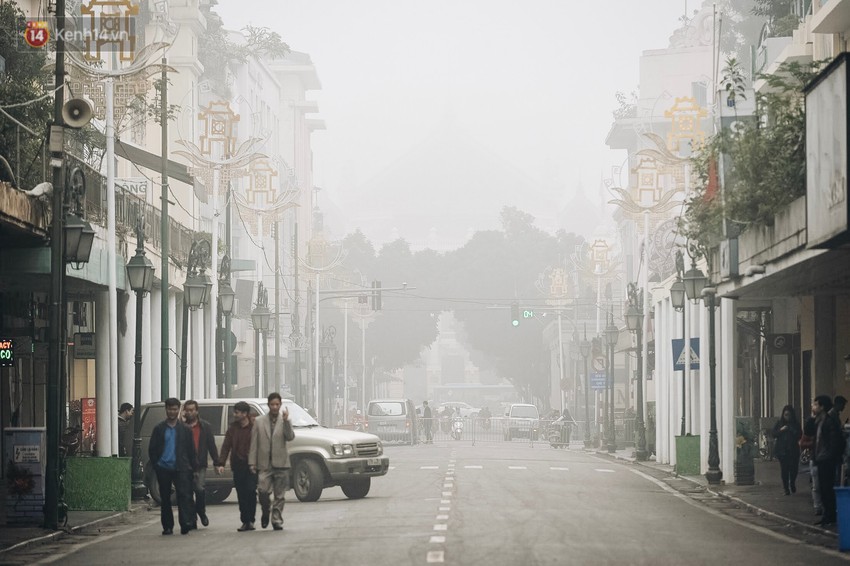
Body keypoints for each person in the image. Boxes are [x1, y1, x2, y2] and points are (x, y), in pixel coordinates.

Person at [148, 397, 196, 535]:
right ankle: (167, 526)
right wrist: (157, 464)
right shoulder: (159, 429)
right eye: (169, 409)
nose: (172, 412)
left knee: (183, 496)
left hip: (181, 468)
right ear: (166, 410)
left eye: (175, 409)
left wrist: (193, 468)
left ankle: (185, 523)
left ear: (179, 410)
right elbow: (152, 449)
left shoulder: (185, 429)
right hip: (163, 468)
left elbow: (191, 450)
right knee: (165, 498)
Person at [249, 392, 295, 531]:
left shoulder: (284, 420)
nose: (275, 407)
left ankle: (276, 519)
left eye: (277, 404)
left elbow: (290, 437)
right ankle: (265, 510)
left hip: (281, 463)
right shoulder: (259, 421)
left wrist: (287, 421)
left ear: (280, 405)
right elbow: (254, 443)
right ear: (269, 405)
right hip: (264, 464)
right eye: (272, 404)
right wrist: (252, 462)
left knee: (279, 495)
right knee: (262, 490)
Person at [218, 401, 258, 532]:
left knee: (251, 491)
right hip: (238, 466)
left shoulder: (254, 428)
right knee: (241, 494)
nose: (235, 414)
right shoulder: (232, 429)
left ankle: (251, 519)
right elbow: (226, 446)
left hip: (252, 466)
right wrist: (221, 463)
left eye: (237, 412)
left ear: (245, 414)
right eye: (235, 412)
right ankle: (245, 521)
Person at [183, 400, 220, 529]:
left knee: (199, 489)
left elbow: (211, 446)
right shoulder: (181, 427)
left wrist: (217, 462)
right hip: (185, 465)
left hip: (200, 464)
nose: (189, 412)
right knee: (187, 493)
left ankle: (201, 512)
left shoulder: (205, 427)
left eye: (192, 410)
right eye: (187, 410)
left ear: (197, 411)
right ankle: (192, 519)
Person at [814, 395, 844, 526]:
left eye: (816, 405)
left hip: (826, 460)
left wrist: (829, 456)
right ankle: (827, 515)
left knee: (827, 489)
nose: (813, 407)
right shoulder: (819, 420)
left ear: (822, 407)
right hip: (821, 459)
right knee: (822, 489)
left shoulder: (828, 421)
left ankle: (830, 516)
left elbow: (833, 441)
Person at [772, 404, 801, 495]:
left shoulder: (796, 424)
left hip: (793, 450)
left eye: (789, 415)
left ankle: (792, 482)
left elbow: (799, 435)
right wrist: (781, 430)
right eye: (785, 415)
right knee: (784, 470)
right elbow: (774, 434)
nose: (787, 417)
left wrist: (791, 430)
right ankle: (786, 488)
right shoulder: (779, 423)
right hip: (782, 451)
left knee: (794, 469)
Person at [800, 409, 823, 516]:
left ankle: (822, 506)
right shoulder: (811, 428)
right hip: (815, 459)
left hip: (822, 459)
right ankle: (818, 506)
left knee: (821, 485)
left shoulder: (826, 425)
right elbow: (802, 442)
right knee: (816, 485)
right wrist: (813, 443)